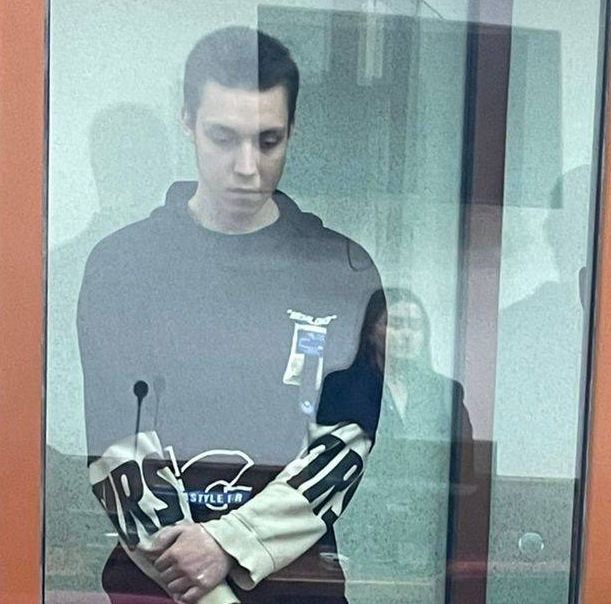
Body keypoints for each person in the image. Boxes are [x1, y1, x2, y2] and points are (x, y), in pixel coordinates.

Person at [78, 27, 383, 604]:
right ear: (187, 122)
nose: (247, 166)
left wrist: (229, 544)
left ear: (293, 131)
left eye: (268, 141)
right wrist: (206, 586)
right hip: (159, 588)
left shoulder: (342, 273)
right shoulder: (124, 265)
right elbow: (117, 446)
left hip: (296, 586)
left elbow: (343, 445)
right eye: (224, 137)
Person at [335, 289, 473, 600]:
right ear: (372, 331)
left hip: (425, 536)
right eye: (396, 324)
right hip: (360, 532)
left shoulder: (445, 392)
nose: (407, 335)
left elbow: (464, 468)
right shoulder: (342, 386)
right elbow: (326, 467)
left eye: (416, 326)